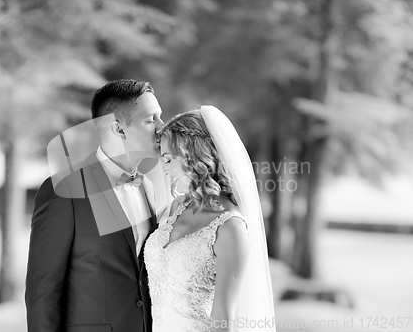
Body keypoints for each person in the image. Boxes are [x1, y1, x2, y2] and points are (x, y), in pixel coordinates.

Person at [25, 79, 165, 332]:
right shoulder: (64, 189)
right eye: (151, 119)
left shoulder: (148, 188)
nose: (162, 128)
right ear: (119, 129)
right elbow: (43, 292)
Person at [144, 106, 276, 332]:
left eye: (168, 159)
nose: (163, 168)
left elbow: (223, 318)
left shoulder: (230, 227)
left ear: (193, 156)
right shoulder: (177, 207)